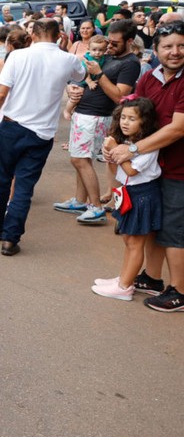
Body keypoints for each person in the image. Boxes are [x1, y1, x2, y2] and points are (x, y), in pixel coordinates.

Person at [0, 19, 85, 256]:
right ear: (59, 35)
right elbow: (80, 74)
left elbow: (0, 94)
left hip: (11, 128)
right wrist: (63, 47)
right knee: (24, 187)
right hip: (41, 134)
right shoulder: (67, 59)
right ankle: (11, 239)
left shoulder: (18, 57)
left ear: (32, 35)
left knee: (2, 180)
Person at [107, 16, 184, 312]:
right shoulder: (149, 77)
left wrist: (132, 149)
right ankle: (152, 278)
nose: (175, 52)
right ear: (156, 49)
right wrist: (115, 139)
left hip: (178, 168)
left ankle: (178, 290)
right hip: (154, 168)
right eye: (168, 46)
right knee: (154, 227)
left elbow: (178, 128)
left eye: (180, 46)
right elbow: (133, 111)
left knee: (175, 232)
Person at [55, 21, 140, 226]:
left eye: (114, 43)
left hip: (96, 117)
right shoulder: (110, 56)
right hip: (84, 113)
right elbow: (85, 76)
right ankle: (80, 200)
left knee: (80, 160)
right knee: (82, 158)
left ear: (129, 41)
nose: (109, 46)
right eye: (108, 42)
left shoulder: (130, 63)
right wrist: (74, 89)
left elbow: (120, 96)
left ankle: (96, 208)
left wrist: (99, 75)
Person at [92, 97, 162, 300]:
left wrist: (114, 149)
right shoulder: (126, 143)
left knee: (135, 243)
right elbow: (118, 172)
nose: (125, 122)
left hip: (143, 196)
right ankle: (124, 278)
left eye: (132, 118)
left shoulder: (147, 146)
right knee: (128, 240)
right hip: (130, 194)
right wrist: (110, 154)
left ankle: (124, 288)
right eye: (123, 117)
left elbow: (131, 170)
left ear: (144, 122)